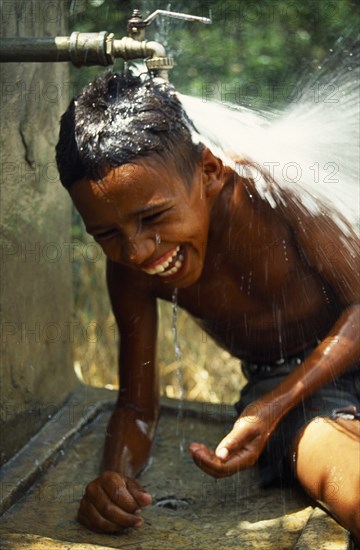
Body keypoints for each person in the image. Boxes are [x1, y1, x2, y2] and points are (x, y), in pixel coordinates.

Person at [56, 71, 360, 543]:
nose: (136, 251)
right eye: (106, 235)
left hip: (313, 368)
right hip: (287, 386)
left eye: (152, 217)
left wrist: (270, 408)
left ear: (211, 172)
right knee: (345, 478)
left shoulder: (278, 191)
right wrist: (111, 480)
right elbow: (137, 405)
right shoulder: (129, 271)